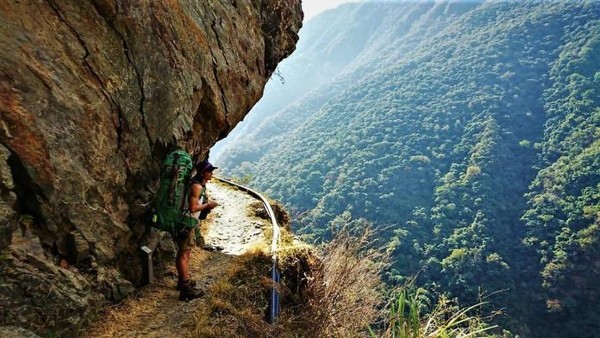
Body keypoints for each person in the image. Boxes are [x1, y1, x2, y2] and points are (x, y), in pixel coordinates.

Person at [175, 160, 219, 301]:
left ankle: (183, 281)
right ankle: (186, 288)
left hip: (187, 222)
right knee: (184, 254)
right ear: (202, 173)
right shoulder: (197, 187)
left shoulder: (198, 184)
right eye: (209, 170)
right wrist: (208, 205)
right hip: (186, 223)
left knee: (185, 253)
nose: (211, 173)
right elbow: (193, 208)